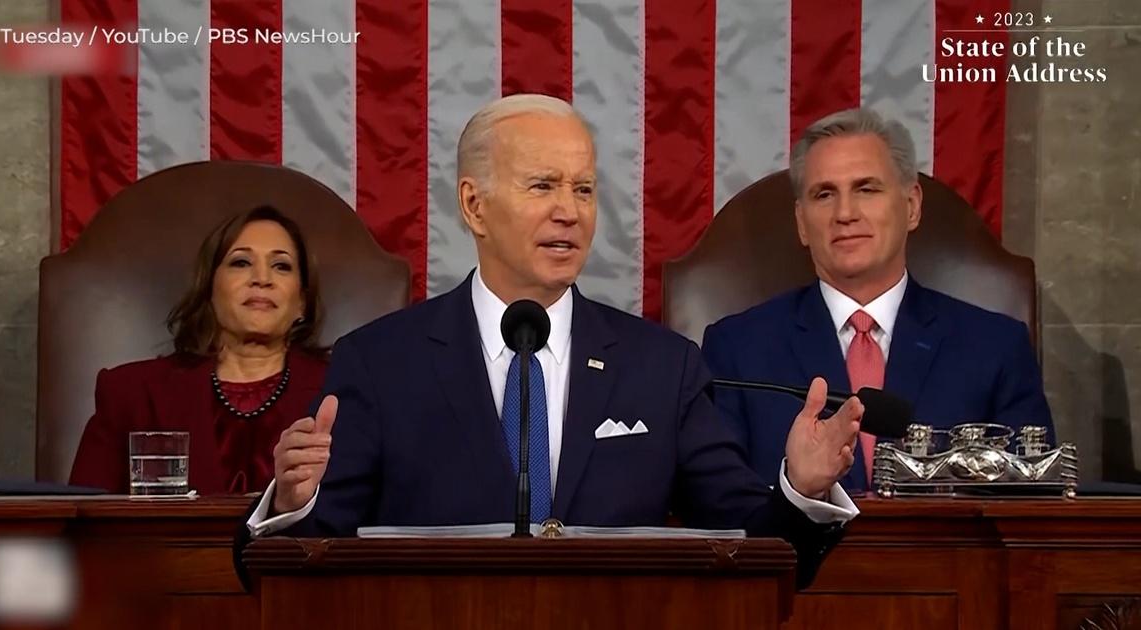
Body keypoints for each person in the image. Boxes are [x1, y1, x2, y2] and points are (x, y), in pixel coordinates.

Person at [242, 95, 861, 586]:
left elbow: (754, 547)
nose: (569, 211)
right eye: (542, 186)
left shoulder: (661, 366)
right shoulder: (380, 362)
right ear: (474, 205)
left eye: (584, 189)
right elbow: (289, 570)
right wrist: (292, 505)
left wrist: (799, 491)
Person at [702, 108, 1054, 492]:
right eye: (824, 194)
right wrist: (795, 489)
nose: (845, 214)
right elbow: (714, 502)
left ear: (911, 206)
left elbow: (1031, 502)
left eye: (866, 189)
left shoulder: (995, 347)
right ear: (802, 223)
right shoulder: (738, 349)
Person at [69, 205, 329, 494]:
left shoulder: (345, 391)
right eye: (241, 262)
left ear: (302, 302)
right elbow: (84, 524)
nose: (262, 278)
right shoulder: (130, 394)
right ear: (209, 289)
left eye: (281, 266)